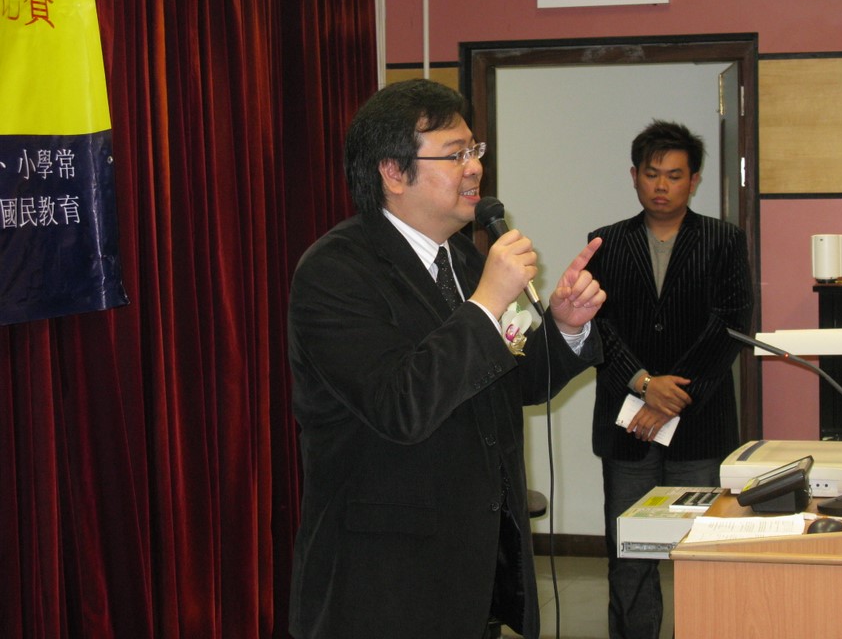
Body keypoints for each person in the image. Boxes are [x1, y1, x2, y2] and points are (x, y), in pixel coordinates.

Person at [287, 78, 606, 639]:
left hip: (473, 568)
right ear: (393, 171)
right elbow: (401, 406)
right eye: (455, 154)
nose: (475, 167)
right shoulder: (336, 271)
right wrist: (486, 303)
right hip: (382, 580)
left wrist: (564, 326)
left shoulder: (462, 259)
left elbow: (510, 383)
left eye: (474, 150)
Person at [586, 119, 753, 639]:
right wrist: (642, 383)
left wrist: (670, 397)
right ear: (634, 176)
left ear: (694, 180)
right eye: (652, 173)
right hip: (627, 422)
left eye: (674, 175)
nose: (662, 186)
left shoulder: (723, 240)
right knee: (629, 552)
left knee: (700, 551)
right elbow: (596, 326)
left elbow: (731, 325)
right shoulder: (605, 243)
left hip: (699, 421)